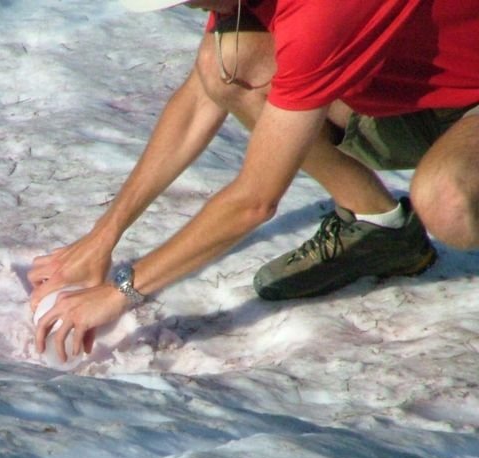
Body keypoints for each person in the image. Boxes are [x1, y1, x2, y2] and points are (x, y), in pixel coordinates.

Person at [27, 0, 479, 362]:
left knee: (449, 200)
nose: (189, 10)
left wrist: (120, 291)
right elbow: (197, 104)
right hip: (432, 91)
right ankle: (380, 230)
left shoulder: (319, 15)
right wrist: (103, 237)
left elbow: (254, 201)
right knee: (231, 61)